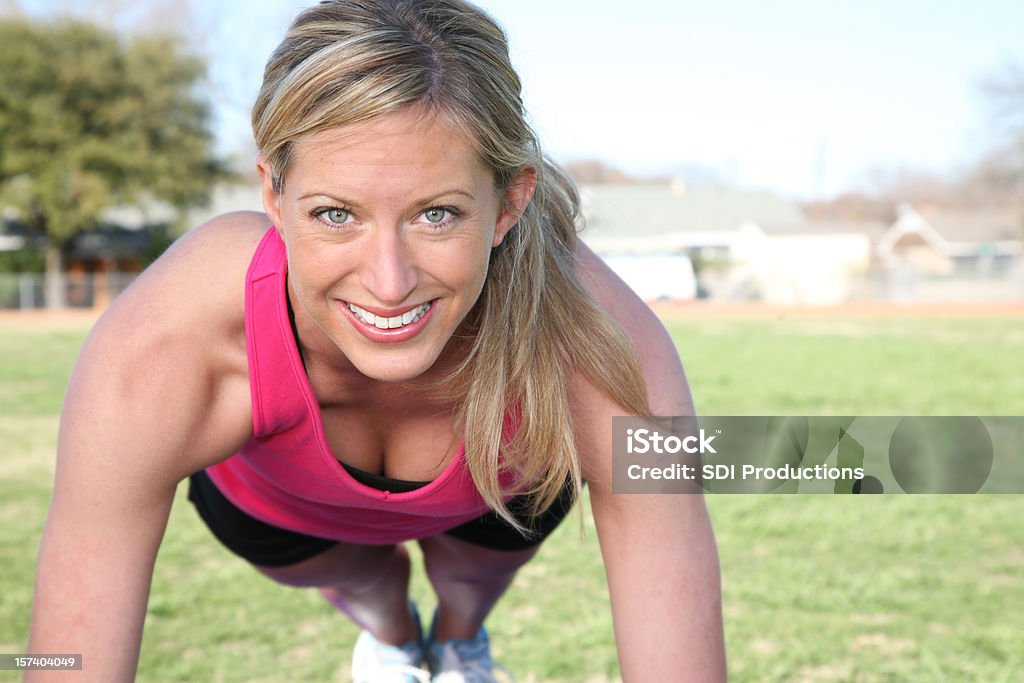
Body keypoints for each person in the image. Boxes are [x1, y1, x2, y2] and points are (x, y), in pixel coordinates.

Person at [27, 0, 726, 681]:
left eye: (438, 214)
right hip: (279, 510)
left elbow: (723, 519)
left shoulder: (595, 337)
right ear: (273, 194)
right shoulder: (166, 340)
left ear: (508, 203)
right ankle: (391, 637)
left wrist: (822, 453)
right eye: (335, 214)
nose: (389, 283)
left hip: (496, 494)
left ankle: (459, 639)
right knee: (368, 585)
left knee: (470, 576)